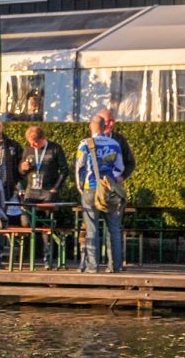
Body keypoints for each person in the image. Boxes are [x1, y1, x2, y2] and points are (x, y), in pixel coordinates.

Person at [75, 113, 126, 274]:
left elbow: (79, 168)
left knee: (92, 229)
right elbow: (120, 168)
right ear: (105, 127)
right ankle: (115, 266)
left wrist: (81, 188)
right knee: (114, 229)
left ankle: (92, 266)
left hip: (91, 188)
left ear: (91, 126)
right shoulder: (114, 143)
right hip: (109, 190)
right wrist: (111, 180)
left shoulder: (84, 144)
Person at [17, 125, 68, 200]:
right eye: (30, 143)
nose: (32, 145)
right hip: (31, 191)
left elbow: (64, 170)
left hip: (48, 191)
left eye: (34, 143)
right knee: (28, 210)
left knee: (47, 210)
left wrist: (55, 188)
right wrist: (22, 168)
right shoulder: (28, 150)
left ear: (42, 139)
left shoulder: (55, 148)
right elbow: (21, 171)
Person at [104, 106, 137, 180]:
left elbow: (131, 163)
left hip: (115, 185)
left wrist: (122, 177)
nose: (111, 124)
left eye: (113, 121)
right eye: (108, 121)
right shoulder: (91, 140)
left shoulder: (119, 139)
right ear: (101, 122)